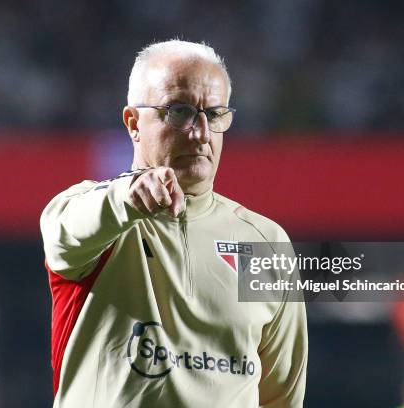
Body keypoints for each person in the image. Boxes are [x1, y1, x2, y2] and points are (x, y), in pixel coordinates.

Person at [40, 39, 307, 408]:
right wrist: (128, 196)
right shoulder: (94, 214)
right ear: (133, 123)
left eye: (214, 115)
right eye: (179, 111)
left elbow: (280, 399)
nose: (199, 133)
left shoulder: (264, 240)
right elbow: (65, 235)